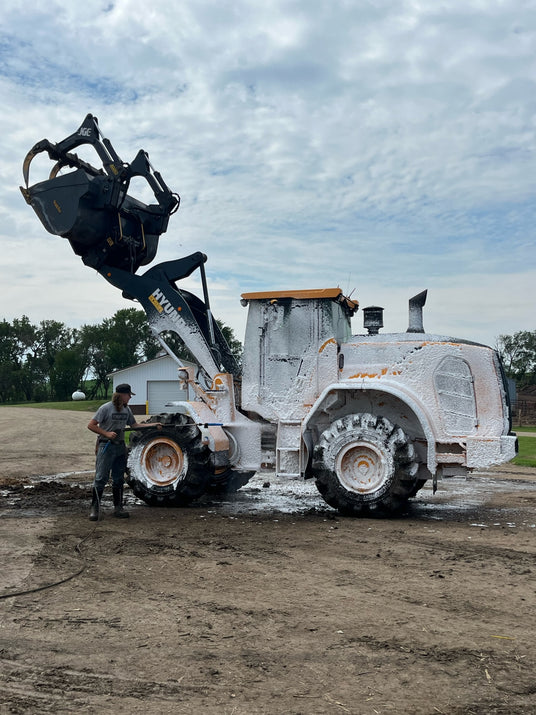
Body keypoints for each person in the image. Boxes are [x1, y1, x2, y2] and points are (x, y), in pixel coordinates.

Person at [87, 383, 160, 521]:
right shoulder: (105, 408)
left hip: (120, 447)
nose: (130, 398)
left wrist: (153, 425)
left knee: (118, 478)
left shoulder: (127, 410)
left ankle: (118, 507)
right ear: (122, 395)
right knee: (101, 477)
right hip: (106, 446)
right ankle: (95, 508)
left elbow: (134, 425)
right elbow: (91, 425)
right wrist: (106, 433)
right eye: (129, 395)